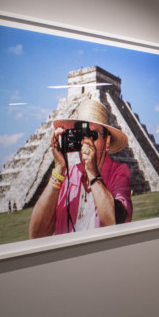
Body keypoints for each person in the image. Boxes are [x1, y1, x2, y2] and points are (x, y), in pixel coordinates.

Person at [29, 99, 132, 238]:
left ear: (107, 141)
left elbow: (116, 223)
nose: (85, 142)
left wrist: (92, 172)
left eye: (93, 135)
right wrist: (59, 169)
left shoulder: (119, 172)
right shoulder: (67, 175)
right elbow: (36, 234)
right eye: (81, 135)